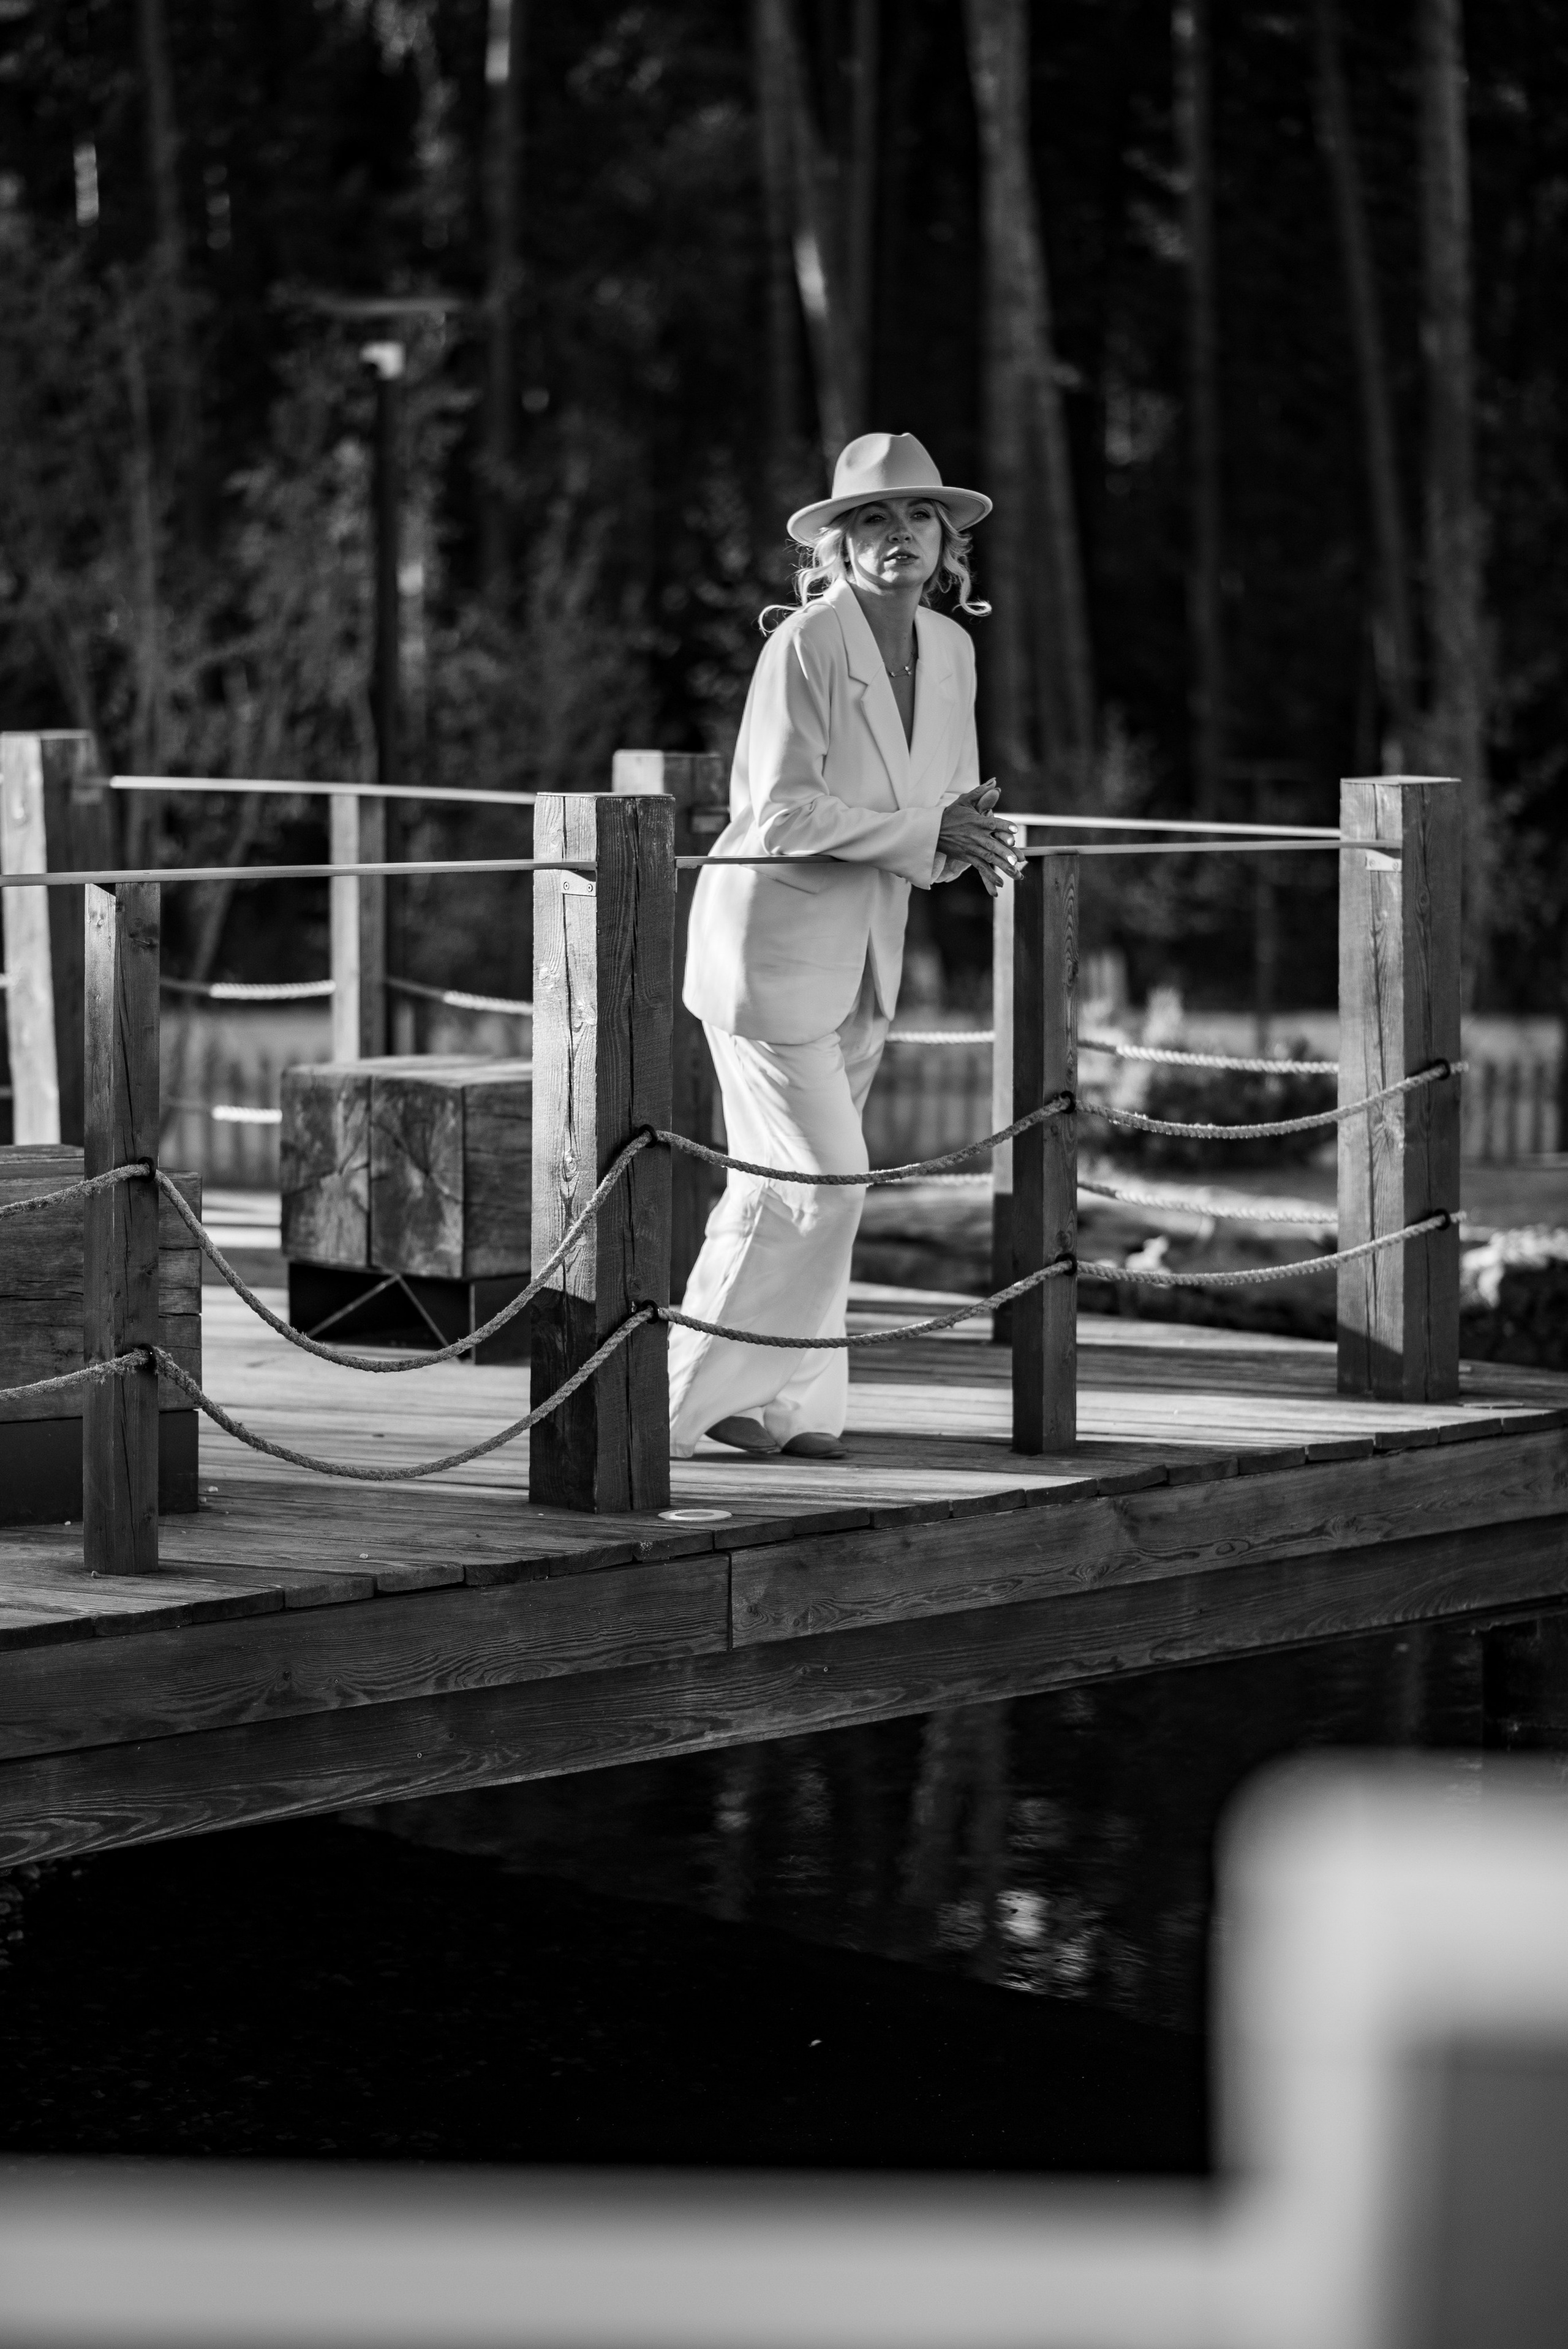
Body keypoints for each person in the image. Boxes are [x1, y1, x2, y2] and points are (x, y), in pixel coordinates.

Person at [669, 431, 1022, 1462]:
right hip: (767, 954)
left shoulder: (953, 651)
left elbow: (936, 808)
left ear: (947, 542)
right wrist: (930, 834)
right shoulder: (804, 647)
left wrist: (970, 838)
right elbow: (777, 813)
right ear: (837, 545)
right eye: (873, 519)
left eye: (918, 516)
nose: (899, 534)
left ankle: (785, 1409)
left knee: (776, 1189)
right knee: (826, 1181)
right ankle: (663, 1405)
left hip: (870, 953)